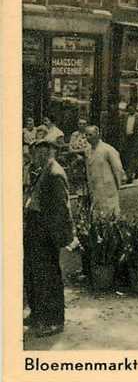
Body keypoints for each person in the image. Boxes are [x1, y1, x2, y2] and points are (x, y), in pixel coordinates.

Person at [23, 138, 75, 337]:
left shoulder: (55, 173)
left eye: (43, 152)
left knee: (49, 276)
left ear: (50, 153)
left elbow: (62, 209)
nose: (38, 156)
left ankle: (54, 321)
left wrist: (60, 237)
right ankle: (37, 314)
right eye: (37, 152)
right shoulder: (41, 170)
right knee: (33, 273)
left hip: (46, 230)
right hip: (35, 225)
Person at [84, 125, 126, 216]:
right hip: (95, 187)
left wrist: (117, 185)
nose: (88, 138)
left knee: (110, 212)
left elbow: (117, 168)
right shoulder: (87, 151)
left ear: (97, 135)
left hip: (107, 186)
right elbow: (88, 169)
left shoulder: (107, 149)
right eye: (86, 135)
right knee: (97, 212)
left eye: (90, 135)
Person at [119, 105, 138, 183]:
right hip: (127, 139)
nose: (130, 111)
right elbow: (122, 128)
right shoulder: (125, 116)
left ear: (135, 109)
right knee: (128, 157)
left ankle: (129, 177)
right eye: (129, 109)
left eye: (132, 109)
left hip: (136, 139)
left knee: (133, 156)